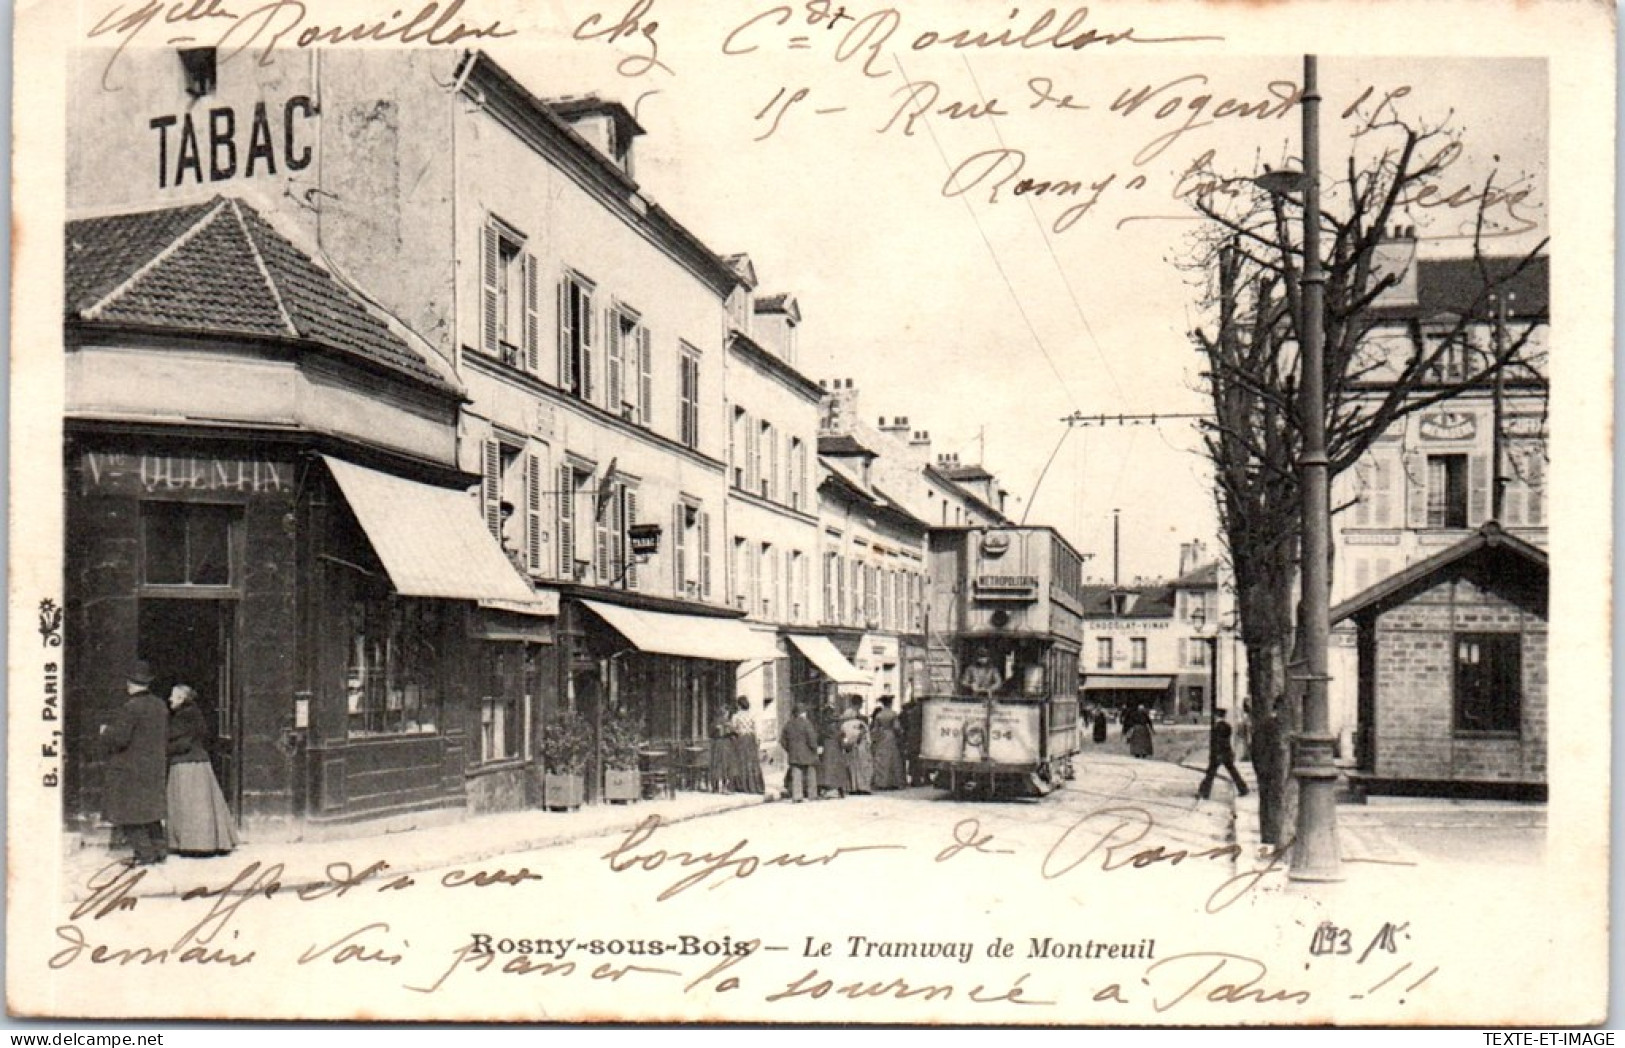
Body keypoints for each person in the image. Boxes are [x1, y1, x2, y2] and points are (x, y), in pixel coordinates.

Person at [100, 661, 170, 865]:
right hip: (154, 766)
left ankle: (145, 855)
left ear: (130, 684)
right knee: (151, 813)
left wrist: (105, 732)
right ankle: (159, 851)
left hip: (131, 768)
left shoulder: (130, 707)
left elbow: (120, 739)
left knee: (129, 814)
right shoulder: (160, 705)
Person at [165, 684, 239, 856]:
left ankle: (196, 844)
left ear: (182, 698)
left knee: (191, 804)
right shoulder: (191, 713)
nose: (169, 699)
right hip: (195, 763)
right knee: (200, 804)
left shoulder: (185, 716)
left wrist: (164, 748)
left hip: (188, 764)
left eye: (173, 696)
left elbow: (183, 743)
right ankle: (207, 841)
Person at [1196, 707, 1250, 800]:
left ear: (1217, 716)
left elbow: (1217, 742)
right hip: (1226, 753)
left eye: (1216, 715)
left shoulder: (1217, 727)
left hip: (1218, 754)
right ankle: (1243, 788)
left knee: (1210, 774)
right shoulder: (1227, 726)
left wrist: (1215, 754)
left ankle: (1204, 792)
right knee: (1233, 772)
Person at [779, 703, 821, 802]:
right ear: (803, 713)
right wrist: (815, 748)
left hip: (794, 753)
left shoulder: (788, 724)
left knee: (796, 774)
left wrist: (789, 749)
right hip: (808, 753)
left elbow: (782, 740)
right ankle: (812, 795)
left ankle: (797, 796)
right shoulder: (807, 723)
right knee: (811, 773)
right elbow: (811, 738)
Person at [729, 696, 764, 794]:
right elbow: (757, 728)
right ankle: (755, 785)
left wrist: (739, 731)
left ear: (739, 705)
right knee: (752, 762)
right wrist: (758, 740)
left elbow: (733, 728)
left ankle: (743, 785)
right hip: (751, 739)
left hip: (742, 739)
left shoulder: (736, 716)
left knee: (742, 761)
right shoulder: (753, 715)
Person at [869, 695, 904, 790]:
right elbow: (897, 727)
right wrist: (900, 733)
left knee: (881, 759)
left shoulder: (879, 715)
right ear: (890, 703)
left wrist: (875, 738)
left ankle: (881, 782)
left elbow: (875, 729)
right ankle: (893, 782)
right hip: (890, 735)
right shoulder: (893, 714)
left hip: (881, 736)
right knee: (893, 758)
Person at [817, 695, 849, 798]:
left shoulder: (823, 726)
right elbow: (841, 736)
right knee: (837, 769)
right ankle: (840, 789)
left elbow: (819, 737)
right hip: (836, 748)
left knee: (826, 769)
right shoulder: (837, 726)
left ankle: (826, 788)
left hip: (827, 749)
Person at [842, 695, 873, 794]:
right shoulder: (861, 723)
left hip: (849, 746)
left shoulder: (844, 724)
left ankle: (852, 787)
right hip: (860, 746)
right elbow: (867, 737)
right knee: (863, 766)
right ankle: (863, 787)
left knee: (851, 767)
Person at [708, 699, 733, 792]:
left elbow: (710, 733)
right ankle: (724, 787)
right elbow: (730, 732)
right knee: (724, 765)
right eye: (727, 712)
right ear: (725, 712)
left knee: (716, 765)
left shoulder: (715, 722)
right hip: (723, 744)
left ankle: (715, 787)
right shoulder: (726, 722)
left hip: (716, 744)